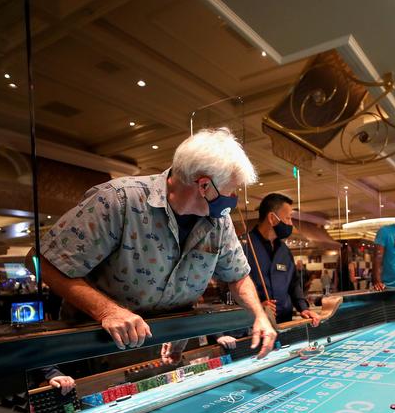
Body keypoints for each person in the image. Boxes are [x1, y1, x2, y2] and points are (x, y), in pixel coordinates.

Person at [39, 128, 276, 359]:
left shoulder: (219, 222)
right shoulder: (119, 200)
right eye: (231, 190)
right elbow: (44, 262)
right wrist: (107, 311)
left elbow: (237, 276)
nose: (232, 198)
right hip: (103, 349)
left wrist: (259, 315)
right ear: (203, 185)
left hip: (170, 344)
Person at [243, 193, 320, 326]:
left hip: (285, 325)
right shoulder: (244, 246)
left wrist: (304, 308)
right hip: (255, 326)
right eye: (288, 218)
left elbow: (293, 284)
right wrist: (255, 306)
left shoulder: (284, 250)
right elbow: (230, 290)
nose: (291, 224)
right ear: (272, 218)